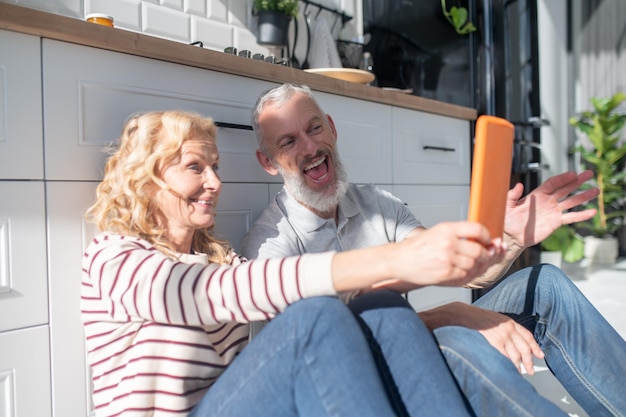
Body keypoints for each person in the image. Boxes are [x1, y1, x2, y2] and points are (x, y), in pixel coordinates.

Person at [80, 110, 516, 417]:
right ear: (146, 179)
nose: (214, 182)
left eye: (214, 166)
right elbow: (216, 292)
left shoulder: (217, 259)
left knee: (383, 309)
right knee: (315, 314)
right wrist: (396, 257)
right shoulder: (113, 259)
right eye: (195, 168)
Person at [241, 83, 626, 417]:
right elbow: (329, 350)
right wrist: (450, 315)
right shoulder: (270, 246)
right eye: (289, 142)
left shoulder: (378, 203)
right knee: (454, 341)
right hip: (360, 381)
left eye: (314, 128)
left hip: (414, 337)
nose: (310, 147)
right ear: (268, 162)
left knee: (545, 283)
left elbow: (458, 269)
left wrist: (508, 239)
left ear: (333, 129)